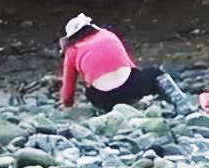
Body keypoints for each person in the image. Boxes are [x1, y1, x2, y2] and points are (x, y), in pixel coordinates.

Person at [58, 13, 191, 113]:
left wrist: (67, 105)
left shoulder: (72, 50)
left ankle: (109, 112)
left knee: (89, 91)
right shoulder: (107, 35)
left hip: (104, 99)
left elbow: (68, 88)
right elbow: (130, 66)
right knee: (156, 73)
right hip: (131, 89)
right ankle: (181, 104)